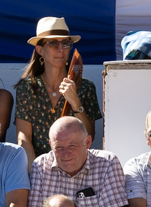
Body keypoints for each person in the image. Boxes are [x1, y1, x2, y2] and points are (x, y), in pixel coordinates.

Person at [14, 17, 102, 162]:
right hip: (39, 168)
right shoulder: (27, 88)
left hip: (75, 166)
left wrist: (75, 101)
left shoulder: (85, 87)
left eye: (65, 43)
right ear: (40, 50)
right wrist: (36, 174)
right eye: (53, 43)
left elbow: (89, 137)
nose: (60, 49)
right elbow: (24, 139)